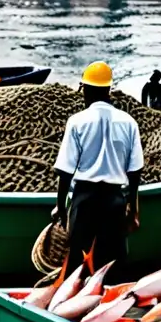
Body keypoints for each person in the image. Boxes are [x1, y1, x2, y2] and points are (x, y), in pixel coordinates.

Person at [52, 61, 143, 277]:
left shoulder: (77, 122)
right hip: (114, 201)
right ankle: (111, 303)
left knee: (78, 265)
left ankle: (76, 307)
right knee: (114, 262)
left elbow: (65, 172)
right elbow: (135, 172)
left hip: (84, 200)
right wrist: (132, 207)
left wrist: (60, 207)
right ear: (108, 89)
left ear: (85, 90)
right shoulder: (128, 122)